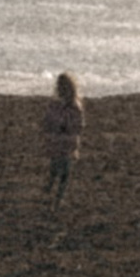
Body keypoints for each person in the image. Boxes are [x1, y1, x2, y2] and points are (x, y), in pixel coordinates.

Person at [43, 71, 84, 203]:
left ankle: (55, 193)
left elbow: (78, 125)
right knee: (60, 168)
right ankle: (55, 192)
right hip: (63, 141)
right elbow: (79, 125)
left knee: (61, 168)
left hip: (63, 141)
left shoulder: (67, 105)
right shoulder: (68, 105)